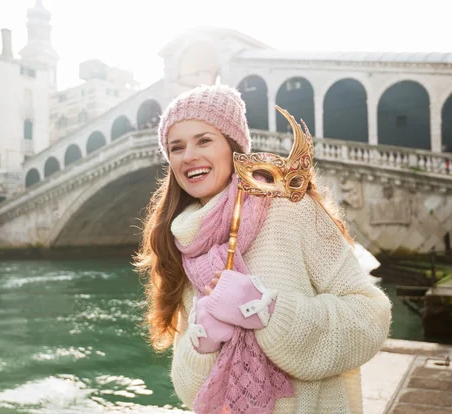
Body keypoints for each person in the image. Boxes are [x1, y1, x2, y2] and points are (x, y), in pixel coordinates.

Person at [134, 84, 392, 414]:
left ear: (234, 146)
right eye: (176, 147)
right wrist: (203, 342)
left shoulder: (291, 210)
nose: (189, 156)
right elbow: (191, 392)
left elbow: (370, 318)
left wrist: (265, 310)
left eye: (204, 140)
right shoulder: (184, 241)